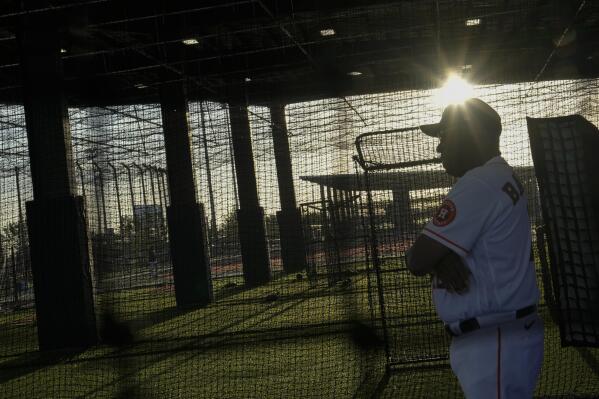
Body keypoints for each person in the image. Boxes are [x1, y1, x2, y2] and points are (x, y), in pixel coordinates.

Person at [406, 98, 544, 398]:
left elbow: (417, 259)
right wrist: (440, 259)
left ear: (471, 133)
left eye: (444, 136)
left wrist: (434, 258)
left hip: (493, 340)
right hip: (504, 335)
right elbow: (433, 253)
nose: (439, 148)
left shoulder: (479, 182)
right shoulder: (500, 176)